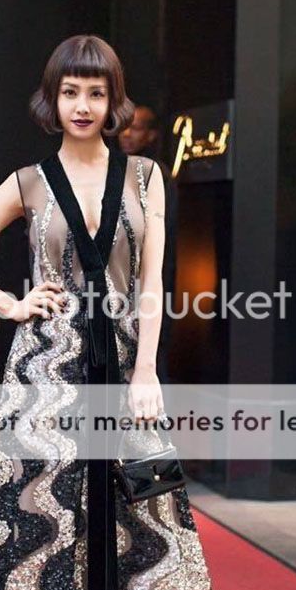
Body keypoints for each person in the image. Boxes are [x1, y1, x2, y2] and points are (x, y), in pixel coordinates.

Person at [0, 34, 241, 590]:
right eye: (71, 91)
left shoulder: (145, 177)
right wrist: (12, 305)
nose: (83, 105)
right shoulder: (26, 182)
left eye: (97, 92)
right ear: (54, 99)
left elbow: (149, 286)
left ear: (114, 102)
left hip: (121, 373)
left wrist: (146, 374)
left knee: (153, 526)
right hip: (43, 377)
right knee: (41, 539)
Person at [119, 105, 178, 385]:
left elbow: (160, 241)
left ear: (151, 135)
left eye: (137, 127)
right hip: (114, 286)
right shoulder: (112, 172)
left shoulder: (156, 176)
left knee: (151, 353)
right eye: (125, 126)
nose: (127, 134)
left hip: (147, 278)